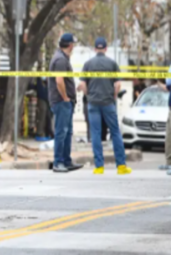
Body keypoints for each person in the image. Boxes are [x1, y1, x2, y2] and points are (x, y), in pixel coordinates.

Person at [80, 37, 131, 175]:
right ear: (106, 49)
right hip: (108, 102)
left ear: (95, 49)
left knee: (95, 133)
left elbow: (83, 84)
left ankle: (99, 167)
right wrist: (113, 96)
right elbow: (118, 84)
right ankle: (121, 166)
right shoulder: (112, 63)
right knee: (115, 132)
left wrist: (89, 96)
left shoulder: (88, 64)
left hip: (93, 103)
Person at [49, 33, 83, 173]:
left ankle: (66, 161)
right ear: (70, 45)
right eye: (73, 44)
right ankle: (58, 162)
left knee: (67, 132)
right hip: (61, 101)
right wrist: (65, 97)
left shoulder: (62, 58)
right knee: (61, 132)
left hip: (65, 102)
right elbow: (59, 81)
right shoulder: (60, 60)